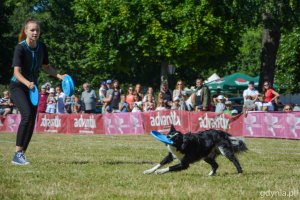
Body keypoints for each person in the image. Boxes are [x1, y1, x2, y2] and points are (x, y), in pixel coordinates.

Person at [9, 18, 66, 165]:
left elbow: (46, 67)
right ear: (26, 31)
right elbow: (16, 72)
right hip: (18, 86)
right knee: (27, 115)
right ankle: (17, 153)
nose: (35, 32)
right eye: (32, 30)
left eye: (37, 30)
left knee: (32, 119)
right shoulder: (20, 48)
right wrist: (27, 83)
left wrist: (60, 76)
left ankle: (21, 154)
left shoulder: (42, 47)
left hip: (32, 88)